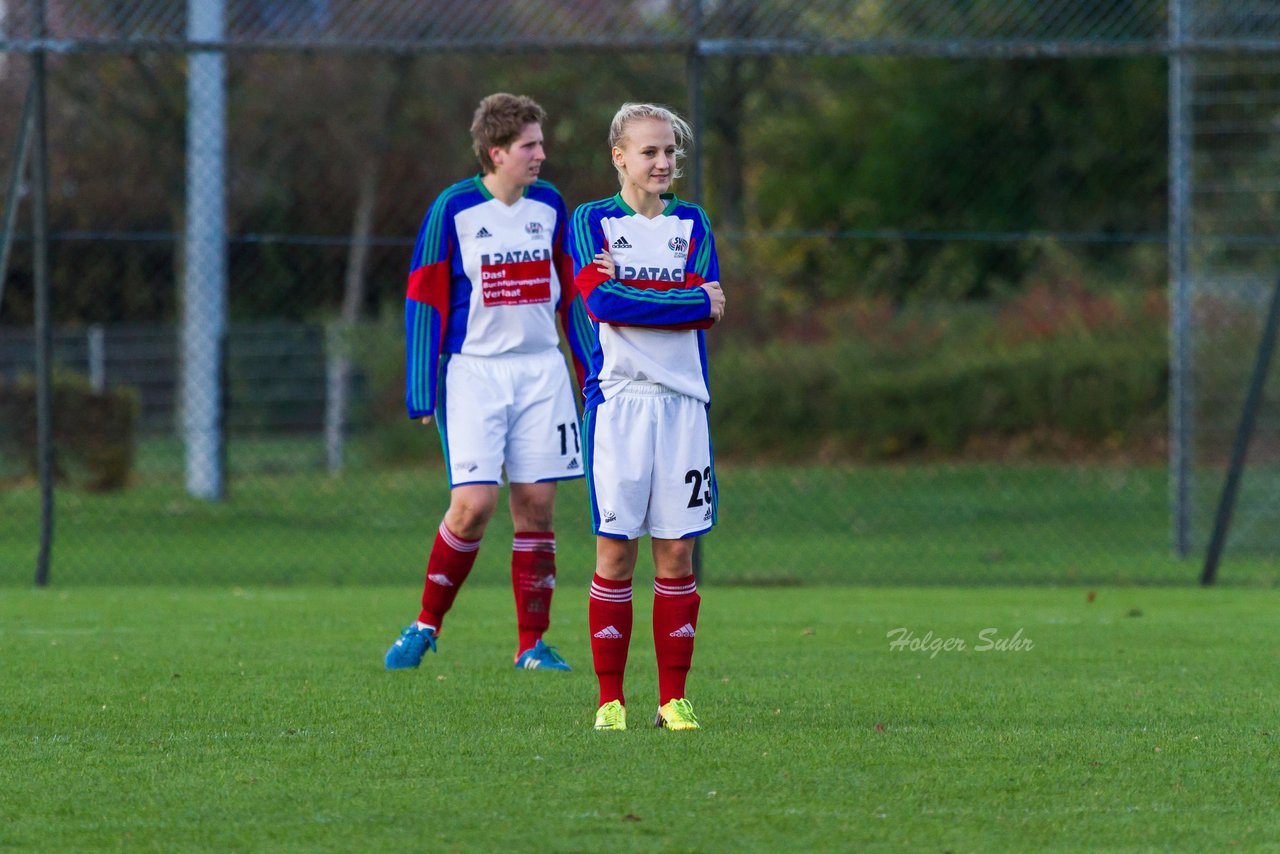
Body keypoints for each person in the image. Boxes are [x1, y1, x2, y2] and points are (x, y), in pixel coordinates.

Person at [385, 93, 593, 672]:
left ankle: (531, 645)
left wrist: (590, 369)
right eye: (530, 145)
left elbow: (574, 295)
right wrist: (421, 386)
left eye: (541, 144)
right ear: (496, 151)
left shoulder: (551, 205)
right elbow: (423, 295)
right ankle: (426, 625)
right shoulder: (453, 208)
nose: (541, 155)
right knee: (473, 505)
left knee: (537, 506)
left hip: (541, 373)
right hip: (473, 374)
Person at [569, 103, 727, 731]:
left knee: (678, 554)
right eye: (649, 152)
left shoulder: (693, 222)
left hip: (684, 406)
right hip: (620, 406)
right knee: (615, 553)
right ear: (619, 157)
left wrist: (650, 296)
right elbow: (602, 300)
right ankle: (611, 699)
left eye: (670, 153)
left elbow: (711, 308)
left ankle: (672, 700)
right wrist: (682, 297)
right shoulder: (592, 221)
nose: (663, 163)